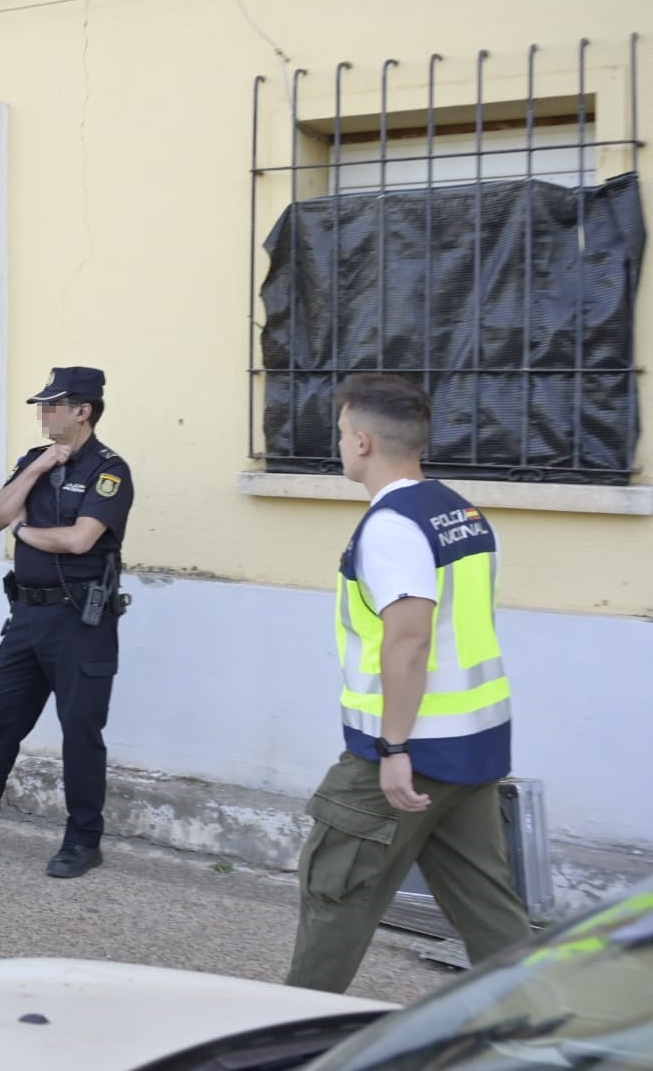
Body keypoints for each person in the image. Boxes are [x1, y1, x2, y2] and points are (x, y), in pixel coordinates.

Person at [284, 372, 532, 993]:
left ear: (363, 441)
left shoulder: (392, 526)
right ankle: (548, 1030)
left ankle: (288, 1035)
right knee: (488, 909)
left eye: (341, 432)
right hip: (470, 746)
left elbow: (410, 638)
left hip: (401, 754)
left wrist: (394, 749)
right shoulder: (461, 512)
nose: (339, 443)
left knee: (334, 896)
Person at [0, 366, 133, 879]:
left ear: (84, 410)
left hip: (82, 619)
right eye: (42, 404)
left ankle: (83, 840)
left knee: (80, 733)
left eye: (54, 404)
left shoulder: (109, 470)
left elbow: (79, 540)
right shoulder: (32, 461)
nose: (43, 412)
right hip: (28, 615)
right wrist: (34, 473)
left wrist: (28, 531)